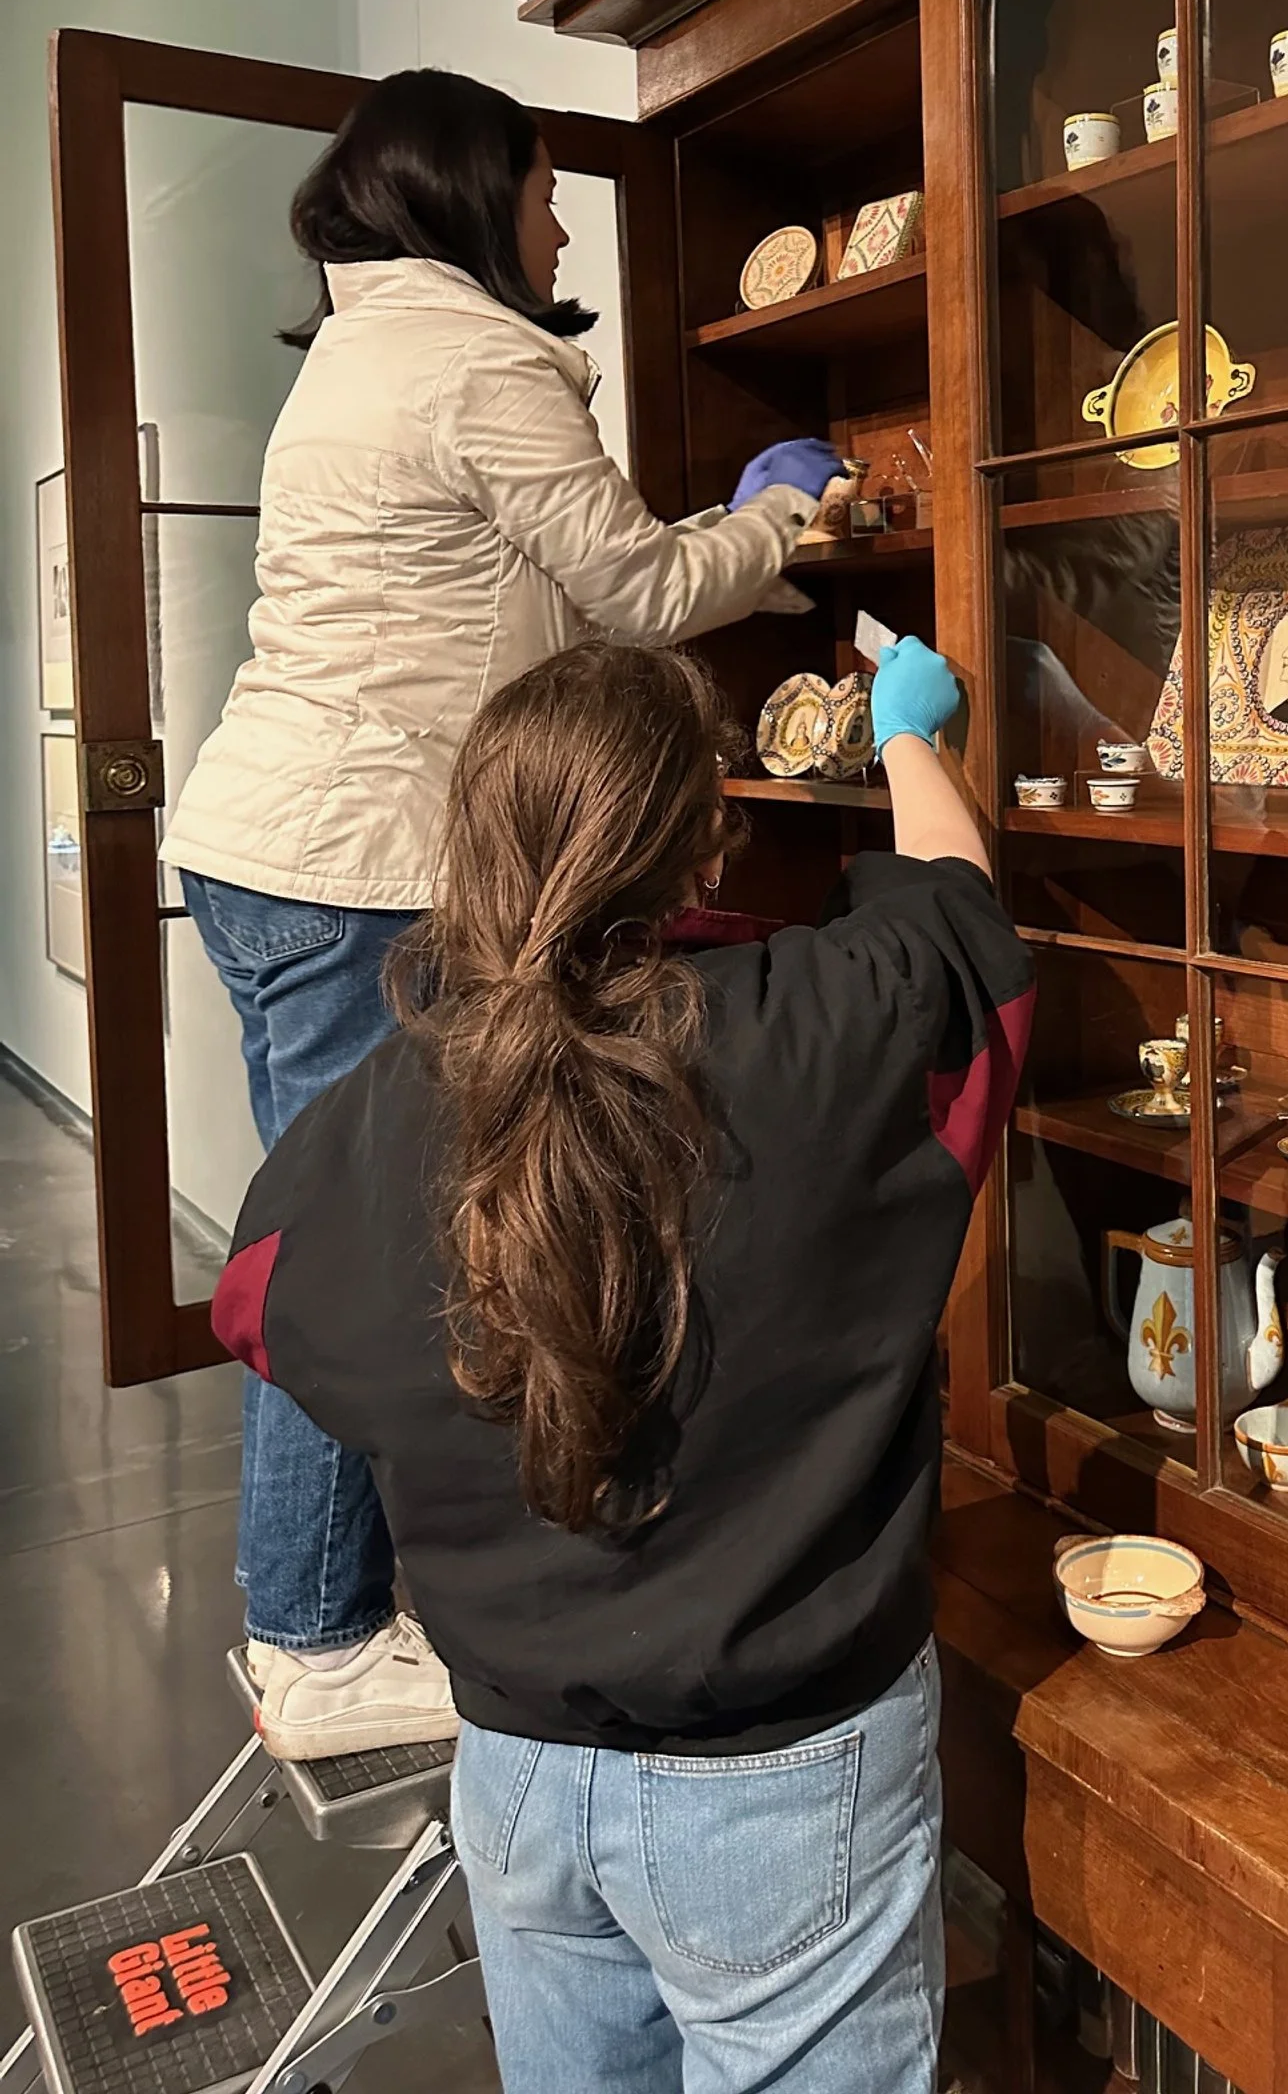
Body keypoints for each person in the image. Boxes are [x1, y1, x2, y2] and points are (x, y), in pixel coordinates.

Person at [211, 632, 1032, 2093]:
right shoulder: (824, 1026)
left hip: (517, 1773)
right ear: (710, 845)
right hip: (790, 1780)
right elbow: (962, 923)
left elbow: (264, 1317)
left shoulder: (393, 1105)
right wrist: (908, 730)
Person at [162, 67, 847, 1759]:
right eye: (546, 188)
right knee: (353, 1242)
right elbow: (639, 595)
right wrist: (777, 519)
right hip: (357, 866)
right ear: (476, 192)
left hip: (268, 847)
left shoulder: (366, 344)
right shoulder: (476, 355)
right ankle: (313, 1643)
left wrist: (721, 529)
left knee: (326, 1210)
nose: (556, 219)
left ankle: (333, 1596)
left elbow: (542, 574)